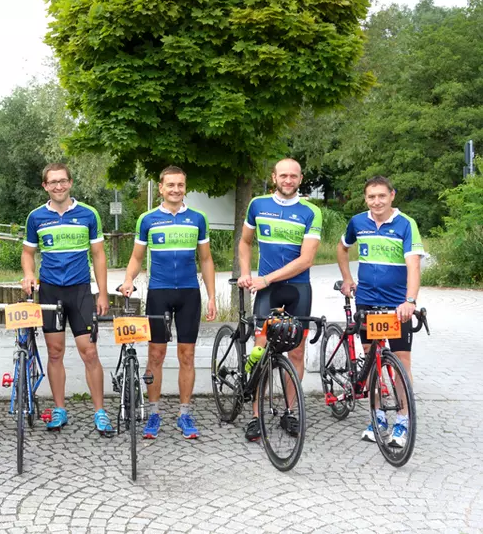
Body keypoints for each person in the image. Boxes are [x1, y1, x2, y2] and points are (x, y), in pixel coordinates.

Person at [119, 166, 217, 440]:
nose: (175, 189)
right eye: (170, 185)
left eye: (180, 185)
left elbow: (206, 259)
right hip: (159, 293)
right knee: (156, 355)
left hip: (188, 293)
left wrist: (211, 296)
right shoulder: (147, 219)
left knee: (187, 355)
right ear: (160, 188)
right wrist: (128, 279)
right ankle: (153, 413)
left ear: (185, 188)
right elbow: (137, 258)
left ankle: (184, 413)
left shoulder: (198, 219)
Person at [21, 163, 114, 434]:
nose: (58, 186)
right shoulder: (36, 217)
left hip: (80, 291)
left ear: (71, 183)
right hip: (50, 290)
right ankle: (60, 410)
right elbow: (28, 253)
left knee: (90, 352)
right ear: (45, 186)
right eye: (53, 182)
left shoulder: (88, 214)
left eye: (63, 181)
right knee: (55, 352)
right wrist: (28, 274)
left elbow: (98, 255)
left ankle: (99, 411)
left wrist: (103, 292)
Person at [237, 158, 322, 441]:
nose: (288, 180)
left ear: (300, 179)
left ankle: (289, 411)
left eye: (293, 176)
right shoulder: (258, 205)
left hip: (297, 288)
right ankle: (255, 416)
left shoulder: (311, 211)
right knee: (260, 349)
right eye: (283, 175)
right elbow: (246, 241)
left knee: (296, 352)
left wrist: (267, 278)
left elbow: (306, 259)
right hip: (267, 291)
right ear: (274, 177)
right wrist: (247, 273)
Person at [337, 175, 424, 448]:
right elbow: (342, 248)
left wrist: (410, 300)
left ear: (392, 196)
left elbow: (414, 266)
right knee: (371, 360)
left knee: (401, 364)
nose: (377, 201)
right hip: (366, 301)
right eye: (371, 197)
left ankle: (403, 419)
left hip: (398, 306)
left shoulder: (406, 224)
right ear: (366, 198)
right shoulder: (357, 222)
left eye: (381, 196)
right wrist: (347, 278)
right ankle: (377, 417)